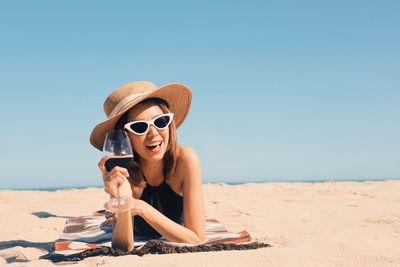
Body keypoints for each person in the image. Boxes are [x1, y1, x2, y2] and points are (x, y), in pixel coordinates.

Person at [89, 81, 205, 252]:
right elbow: (123, 248)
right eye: (139, 126)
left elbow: (196, 238)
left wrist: (140, 208)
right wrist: (123, 205)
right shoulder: (121, 169)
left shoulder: (186, 159)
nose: (153, 133)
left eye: (160, 121)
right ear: (125, 137)